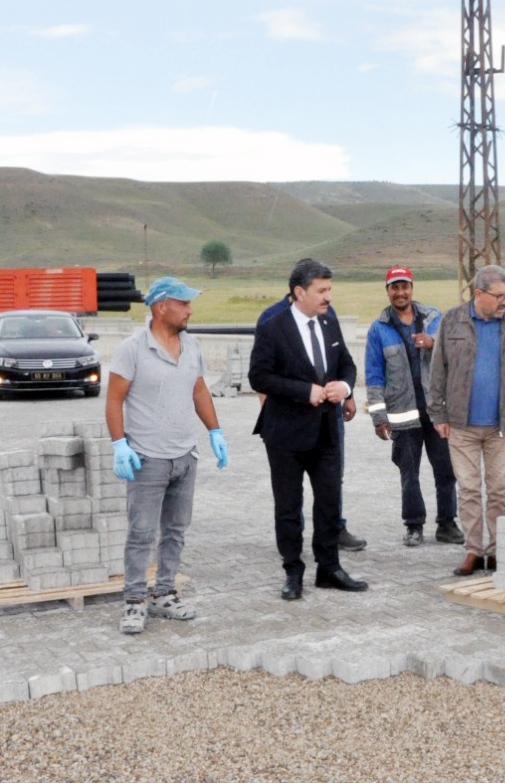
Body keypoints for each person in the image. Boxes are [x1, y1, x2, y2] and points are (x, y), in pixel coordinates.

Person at [105, 276, 228, 634]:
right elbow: (114, 400)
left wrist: (215, 431)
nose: (190, 310)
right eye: (184, 303)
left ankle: (164, 594)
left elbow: (199, 390)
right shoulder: (132, 349)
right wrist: (119, 444)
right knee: (142, 532)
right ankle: (133, 601)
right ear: (161, 307)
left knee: (175, 530)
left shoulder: (192, 346)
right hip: (147, 458)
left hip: (184, 456)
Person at [249, 260, 367, 600]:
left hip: (326, 431)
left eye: (330, 289)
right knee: (289, 506)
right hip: (285, 434)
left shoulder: (329, 321)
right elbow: (259, 376)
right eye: (322, 290)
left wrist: (344, 388)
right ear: (299, 292)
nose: (328, 297)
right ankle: (293, 571)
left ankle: (329, 568)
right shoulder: (273, 326)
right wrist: (305, 391)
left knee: (329, 502)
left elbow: (346, 363)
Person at [428, 265, 505, 576]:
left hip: (503, 425)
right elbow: (438, 371)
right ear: (479, 294)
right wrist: (438, 413)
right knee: (469, 490)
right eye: (500, 295)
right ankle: (473, 551)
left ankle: (498, 551)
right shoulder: (452, 321)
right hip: (461, 424)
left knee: (501, 489)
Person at [365, 266, 462, 547]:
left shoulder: (434, 319)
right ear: (387, 291)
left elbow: (457, 354)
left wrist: (434, 344)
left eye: (404, 286)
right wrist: (378, 417)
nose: (400, 292)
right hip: (402, 416)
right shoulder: (379, 329)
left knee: (446, 471)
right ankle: (414, 526)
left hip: (436, 413)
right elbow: (373, 376)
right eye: (394, 287)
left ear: (412, 287)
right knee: (409, 474)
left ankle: (447, 524)